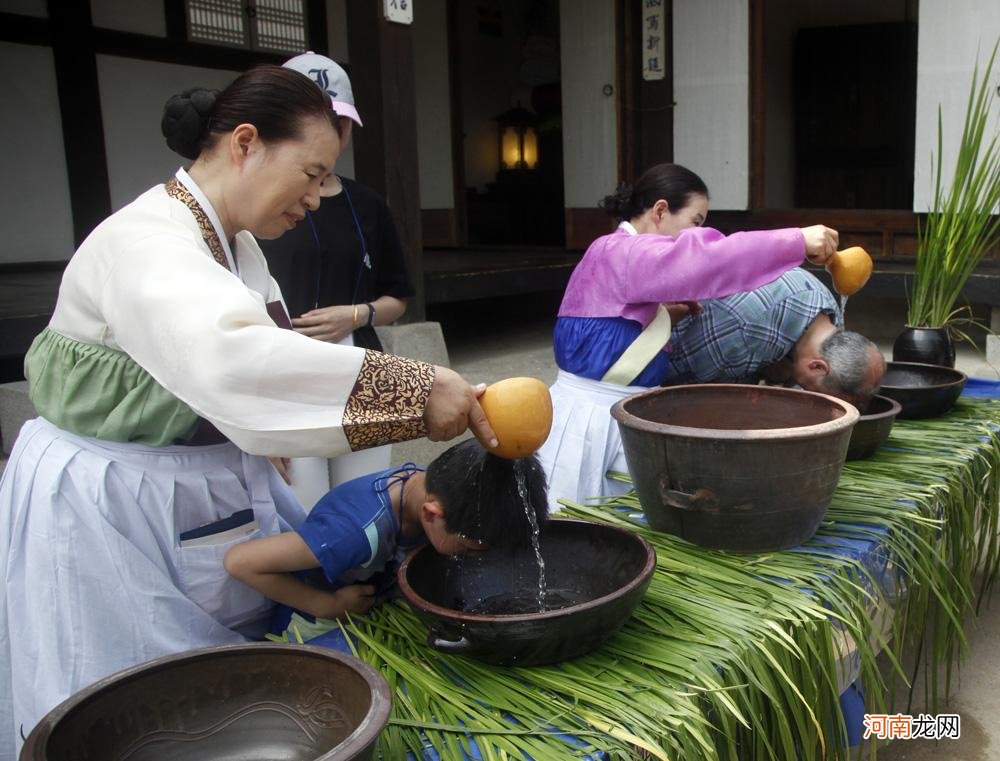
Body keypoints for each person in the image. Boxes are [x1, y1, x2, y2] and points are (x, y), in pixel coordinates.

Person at [0, 65, 496, 756]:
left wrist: (257, 429)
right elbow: (237, 365)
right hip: (113, 495)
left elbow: (262, 354)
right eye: (313, 172)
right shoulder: (148, 241)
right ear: (245, 143)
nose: (320, 197)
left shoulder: (235, 243)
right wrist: (417, 391)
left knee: (208, 686)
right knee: (134, 693)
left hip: (184, 477)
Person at [538, 163, 840, 511]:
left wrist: (665, 315)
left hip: (609, 414)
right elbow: (703, 260)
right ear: (661, 210)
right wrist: (796, 241)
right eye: (696, 223)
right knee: (582, 522)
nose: (699, 232)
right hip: (591, 422)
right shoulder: (620, 252)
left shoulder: (618, 253)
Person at [260, 52, 414, 507]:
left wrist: (356, 314)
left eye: (336, 120)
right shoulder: (257, 210)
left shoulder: (367, 204)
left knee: (363, 501)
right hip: (283, 373)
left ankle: (365, 580)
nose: (327, 132)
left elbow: (398, 296)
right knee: (301, 507)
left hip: (361, 365)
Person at [224, 439, 549, 641]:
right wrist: (327, 605)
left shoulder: (437, 485)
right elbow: (241, 562)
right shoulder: (354, 533)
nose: (474, 557)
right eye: (468, 550)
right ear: (431, 514)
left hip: (373, 605)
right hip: (315, 629)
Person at [663, 268, 886, 406]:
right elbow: (677, 386)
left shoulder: (826, 309)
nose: (811, 396)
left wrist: (781, 365)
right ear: (817, 367)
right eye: (815, 393)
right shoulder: (743, 329)